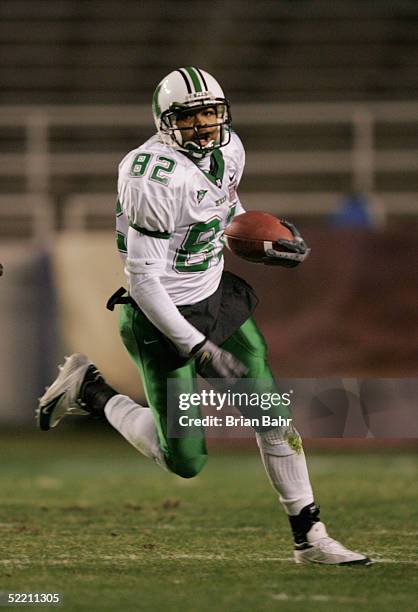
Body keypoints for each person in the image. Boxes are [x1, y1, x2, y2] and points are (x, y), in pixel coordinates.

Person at [37, 67, 370, 565]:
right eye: (189, 118)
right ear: (164, 121)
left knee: (273, 417)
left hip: (216, 298)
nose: (204, 127)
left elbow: (228, 208)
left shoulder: (230, 147)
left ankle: (310, 538)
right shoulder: (149, 174)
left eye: (211, 114)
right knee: (185, 460)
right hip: (160, 315)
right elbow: (144, 280)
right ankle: (92, 389)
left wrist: (258, 240)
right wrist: (194, 344)